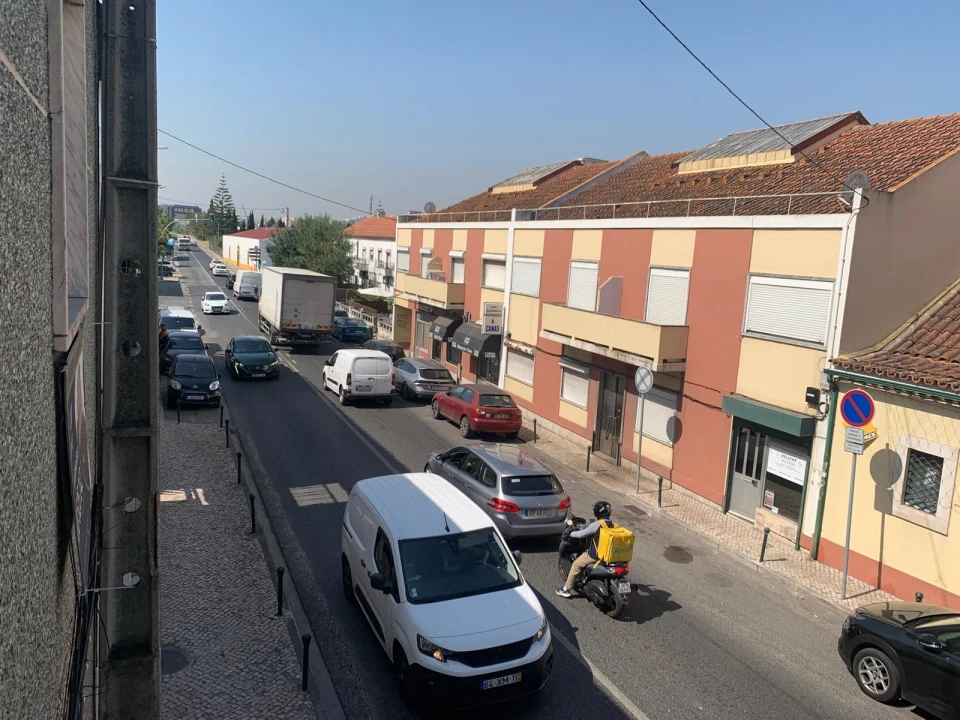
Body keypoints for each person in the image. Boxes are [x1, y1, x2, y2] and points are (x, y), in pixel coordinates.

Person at [556, 500, 613, 598]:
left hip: (596, 555)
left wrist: (570, 533)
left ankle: (566, 589)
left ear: (597, 512)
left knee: (576, 564)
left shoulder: (597, 525)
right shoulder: (612, 524)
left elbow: (582, 534)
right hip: (609, 555)